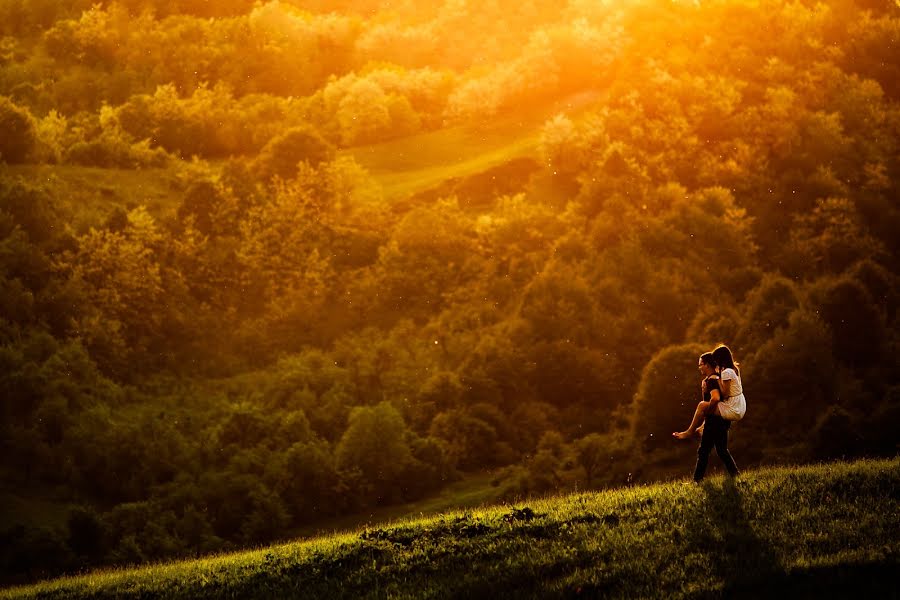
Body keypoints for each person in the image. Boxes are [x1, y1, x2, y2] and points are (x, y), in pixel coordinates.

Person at [673, 352, 739, 482]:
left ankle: (697, 480)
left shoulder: (711, 381)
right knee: (721, 450)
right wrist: (703, 424)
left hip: (715, 422)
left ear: (707, 365)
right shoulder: (717, 378)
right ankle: (735, 475)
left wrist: (706, 419)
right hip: (722, 420)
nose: (699, 367)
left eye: (700, 364)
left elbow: (715, 399)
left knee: (703, 451)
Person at [711, 344, 746, 422]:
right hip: (740, 404)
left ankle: (691, 431)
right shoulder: (734, 368)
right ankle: (701, 428)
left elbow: (725, 395)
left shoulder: (726, 372)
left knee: (704, 406)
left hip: (734, 407)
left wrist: (717, 379)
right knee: (709, 407)